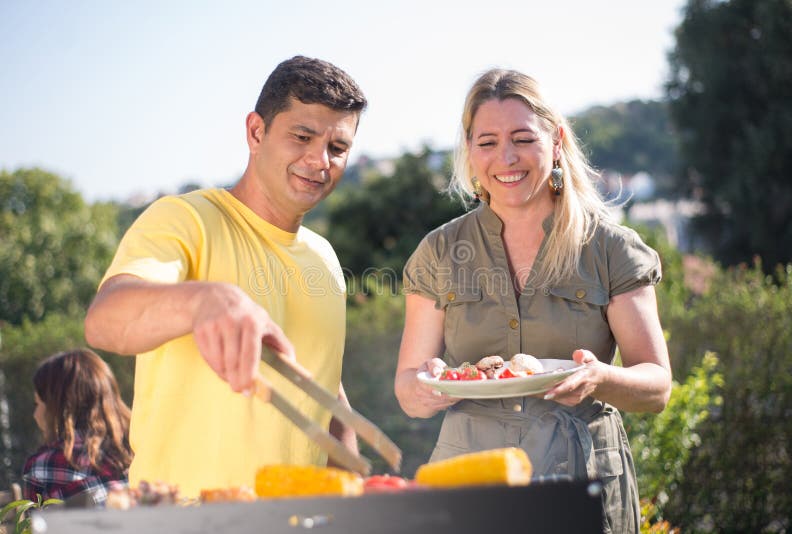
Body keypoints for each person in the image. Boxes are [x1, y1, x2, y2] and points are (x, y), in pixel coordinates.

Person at [395, 68, 671, 533]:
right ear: (469, 151)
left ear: (556, 140)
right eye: (486, 142)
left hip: (579, 477)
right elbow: (407, 387)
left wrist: (599, 378)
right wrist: (425, 389)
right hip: (470, 481)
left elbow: (657, 386)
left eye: (522, 138)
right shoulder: (439, 251)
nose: (506, 157)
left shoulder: (609, 248)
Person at [84, 56, 367, 498]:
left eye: (337, 147)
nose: (320, 160)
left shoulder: (325, 258)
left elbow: (326, 395)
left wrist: (360, 496)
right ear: (256, 132)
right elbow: (105, 322)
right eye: (302, 136)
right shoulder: (185, 219)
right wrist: (204, 300)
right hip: (183, 521)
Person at [22, 349, 132, 505]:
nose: (35, 414)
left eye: (38, 404)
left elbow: (35, 527)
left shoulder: (43, 466)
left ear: (57, 408)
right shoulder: (137, 449)